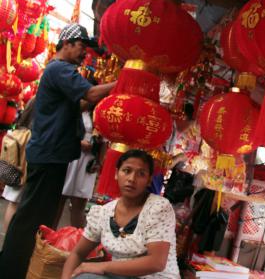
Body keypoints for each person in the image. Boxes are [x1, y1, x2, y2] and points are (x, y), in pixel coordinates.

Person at [0, 23, 116, 279]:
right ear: (66, 44)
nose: (84, 54)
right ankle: (11, 268)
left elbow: (84, 101)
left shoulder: (60, 71)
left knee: (38, 216)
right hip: (49, 154)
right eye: (81, 47)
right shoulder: (61, 69)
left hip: (53, 153)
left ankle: (20, 265)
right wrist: (121, 83)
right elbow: (90, 93)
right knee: (32, 217)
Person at [61, 150, 179, 279]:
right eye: (127, 171)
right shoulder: (103, 212)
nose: (132, 179)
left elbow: (157, 263)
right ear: (117, 173)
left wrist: (101, 266)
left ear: (149, 180)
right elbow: (78, 253)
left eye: (141, 174)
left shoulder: (158, 208)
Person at [55, 100, 101, 229]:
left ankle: (75, 243)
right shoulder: (72, 109)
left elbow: (104, 141)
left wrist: (99, 161)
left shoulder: (100, 114)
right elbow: (61, 130)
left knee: (79, 204)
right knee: (59, 200)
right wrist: (79, 143)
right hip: (70, 155)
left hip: (88, 161)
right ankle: (48, 237)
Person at [1, 96, 36, 231]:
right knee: (16, 204)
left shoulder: (20, 129)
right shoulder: (31, 134)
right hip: (22, 169)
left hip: (13, 169)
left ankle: (7, 237)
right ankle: (10, 237)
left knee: (12, 203)